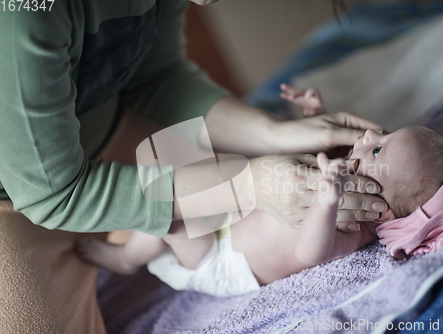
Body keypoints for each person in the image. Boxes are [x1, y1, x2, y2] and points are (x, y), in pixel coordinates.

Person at [0, 1, 387, 331]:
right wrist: (250, 184)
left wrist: (277, 133)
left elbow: (156, 77)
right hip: (25, 195)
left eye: (380, 149)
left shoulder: (360, 223)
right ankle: (126, 254)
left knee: (185, 174)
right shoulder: (27, 14)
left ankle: (127, 248)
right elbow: (55, 192)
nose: (372, 141)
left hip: (120, 136)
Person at [76, 125, 443, 297]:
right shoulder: (356, 187)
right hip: (233, 217)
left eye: (378, 148)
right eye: (382, 134)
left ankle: (125, 258)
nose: (370, 133)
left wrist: (327, 202)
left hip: (222, 260)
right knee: (179, 151)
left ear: (382, 210)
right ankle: (137, 239)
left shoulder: (352, 225)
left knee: (168, 199)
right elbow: (315, 155)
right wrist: (313, 115)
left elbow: (311, 253)